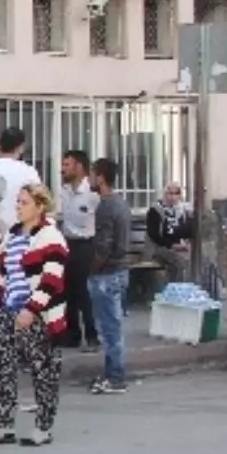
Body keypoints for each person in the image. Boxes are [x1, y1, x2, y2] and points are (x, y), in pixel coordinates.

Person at [0, 183, 69, 447]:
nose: (18, 206)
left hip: (37, 314)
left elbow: (52, 280)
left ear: (40, 207)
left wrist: (32, 309)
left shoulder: (50, 236)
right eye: (18, 201)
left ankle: (43, 426)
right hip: (9, 310)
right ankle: (3, 425)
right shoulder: (12, 236)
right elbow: (2, 278)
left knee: (43, 370)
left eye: (24, 202)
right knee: (2, 368)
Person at [88, 158, 131, 395]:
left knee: (109, 329)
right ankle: (112, 373)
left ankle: (115, 377)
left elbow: (104, 246)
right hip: (121, 270)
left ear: (101, 177)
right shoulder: (121, 203)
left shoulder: (106, 206)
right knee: (114, 326)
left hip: (108, 273)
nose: (90, 179)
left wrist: (93, 270)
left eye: (93, 175)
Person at [56, 150, 101, 352]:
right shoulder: (62, 191)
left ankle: (92, 336)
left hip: (85, 245)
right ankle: (72, 334)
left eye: (67, 165)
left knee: (84, 291)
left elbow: (101, 221)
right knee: (67, 291)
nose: (63, 169)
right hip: (66, 243)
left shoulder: (92, 193)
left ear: (79, 167)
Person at [0, 127, 43, 228]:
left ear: (0, 146)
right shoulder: (29, 173)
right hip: (20, 233)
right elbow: (39, 201)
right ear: (21, 147)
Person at [146, 182, 193, 283]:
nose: (172, 197)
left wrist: (185, 242)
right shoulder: (155, 210)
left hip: (180, 248)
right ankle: (176, 292)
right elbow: (154, 235)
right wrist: (171, 245)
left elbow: (188, 231)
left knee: (195, 260)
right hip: (159, 248)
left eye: (176, 193)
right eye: (169, 193)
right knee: (179, 262)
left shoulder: (183, 211)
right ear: (164, 194)